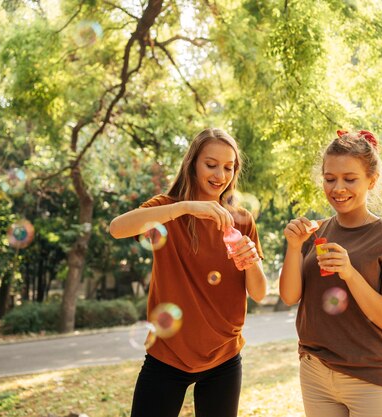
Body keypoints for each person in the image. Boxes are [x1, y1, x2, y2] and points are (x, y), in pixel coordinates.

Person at [109, 128, 267, 417]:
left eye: (228, 167)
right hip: (168, 355)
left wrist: (252, 261)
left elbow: (259, 292)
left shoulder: (242, 221)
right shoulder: (167, 211)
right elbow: (117, 228)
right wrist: (184, 208)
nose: (220, 175)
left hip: (225, 356)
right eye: (211, 164)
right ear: (192, 163)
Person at [279, 129, 382, 417]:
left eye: (350, 179)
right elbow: (290, 296)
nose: (338, 188)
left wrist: (350, 273)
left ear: (372, 181)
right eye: (330, 179)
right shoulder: (317, 233)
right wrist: (293, 248)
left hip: (372, 378)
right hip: (316, 373)